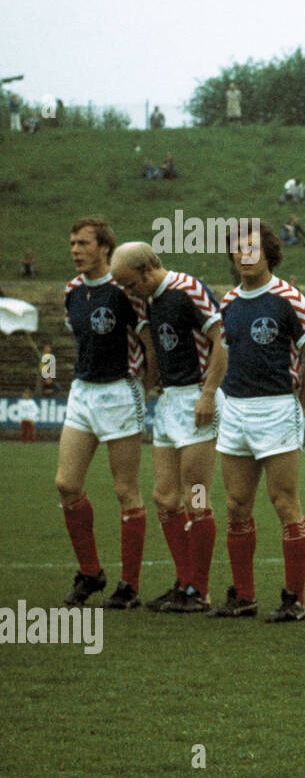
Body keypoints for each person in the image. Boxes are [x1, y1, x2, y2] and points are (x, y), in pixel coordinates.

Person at [207, 221, 305, 622]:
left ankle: (294, 599)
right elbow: (223, 354)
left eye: (252, 246)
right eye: (237, 248)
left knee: (284, 502)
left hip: (276, 408)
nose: (244, 254)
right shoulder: (229, 302)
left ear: (268, 251)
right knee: (236, 504)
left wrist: (300, 403)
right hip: (236, 409)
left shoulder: (288, 298)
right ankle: (243, 595)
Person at [109, 241, 226, 613]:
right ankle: (184, 579)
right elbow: (156, 351)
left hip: (197, 398)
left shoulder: (187, 289)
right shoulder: (149, 300)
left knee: (196, 496)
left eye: (130, 284)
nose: (129, 293)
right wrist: (147, 386)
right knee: (164, 497)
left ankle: (200, 591)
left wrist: (208, 393)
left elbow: (222, 340)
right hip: (170, 401)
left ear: (148, 269)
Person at [57, 218, 156, 610]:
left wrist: (142, 390)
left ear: (104, 248)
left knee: (125, 491)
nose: (75, 250)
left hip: (120, 391)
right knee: (66, 485)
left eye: (83, 243)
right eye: (72, 243)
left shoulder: (125, 291)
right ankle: (91, 572)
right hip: (82, 392)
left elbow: (148, 343)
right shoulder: (71, 291)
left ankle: (129, 585)